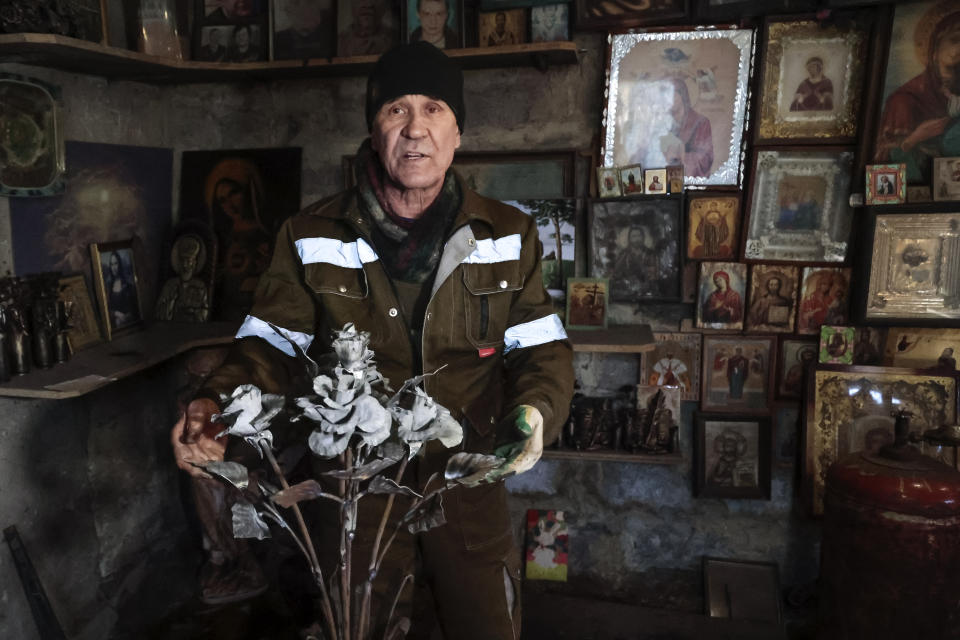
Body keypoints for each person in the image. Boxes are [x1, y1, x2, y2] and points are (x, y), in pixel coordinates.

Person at [170, 42, 574, 638]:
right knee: (361, 626)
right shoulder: (310, 234)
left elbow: (540, 348)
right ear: (374, 126)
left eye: (434, 108)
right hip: (352, 488)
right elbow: (269, 346)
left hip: (464, 479)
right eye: (396, 110)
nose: (416, 130)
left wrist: (537, 411)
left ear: (458, 130)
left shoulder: (509, 233)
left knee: (485, 623)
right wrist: (214, 405)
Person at [875, 4, 960, 183]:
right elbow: (883, 168)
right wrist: (914, 139)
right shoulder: (904, 101)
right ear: (934, 51)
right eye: (955, 39)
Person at [658, 77, 713, 177]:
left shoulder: (701, 122)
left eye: (672, 94)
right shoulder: (661, 123)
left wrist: (679, 155)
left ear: (682, 95)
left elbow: (705, 159)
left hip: (689, 184)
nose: (668, 100)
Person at [155, 234, 211, 322]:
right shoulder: (170, 285)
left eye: (188, 261)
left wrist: (194, 312)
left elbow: (204, 314)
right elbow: (160, 314)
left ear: (194, 264)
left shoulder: (200, 287)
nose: (185, 265)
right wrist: (171, 301)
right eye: (182, 260)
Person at [103, 251, 139, 329]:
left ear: (119, 264)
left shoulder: (128, 283)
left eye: (116, 263)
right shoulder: (109, 285)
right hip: (115, 324)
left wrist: (126, 317)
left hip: (129, 323)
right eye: (112, 264)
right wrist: (116, 314)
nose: (114, 267)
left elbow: (135, 307)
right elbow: (106, 309)